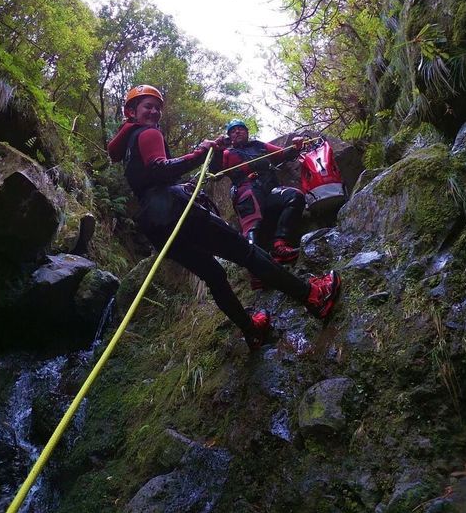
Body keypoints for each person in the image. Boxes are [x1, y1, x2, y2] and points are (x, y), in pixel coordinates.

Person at [107, 85, 341, 350]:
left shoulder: (127, 145)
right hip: (174, 209)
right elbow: (160, 169)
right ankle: (312, 295)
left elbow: (125, 159)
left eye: (157, 107)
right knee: (247, 253)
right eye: (147, 106)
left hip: (153, 223)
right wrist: (199, 154)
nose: (154, 112)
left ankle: (251, 329)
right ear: (132, 111)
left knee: (214, 274)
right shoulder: (149, 132)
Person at [220, 119, 306, 266]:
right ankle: (257, 271)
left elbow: (282, 154)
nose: (237, 132)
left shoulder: (258, 146)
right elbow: (216, 171)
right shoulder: (227, 153)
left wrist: (296, 147)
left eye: (240, 129)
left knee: (295, 196)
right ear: (230, 137)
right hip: (246, 191)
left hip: (269, 191)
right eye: (233, 131)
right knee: (252, 227)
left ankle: (280, 244)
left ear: (247, 132)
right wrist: (216, 150)